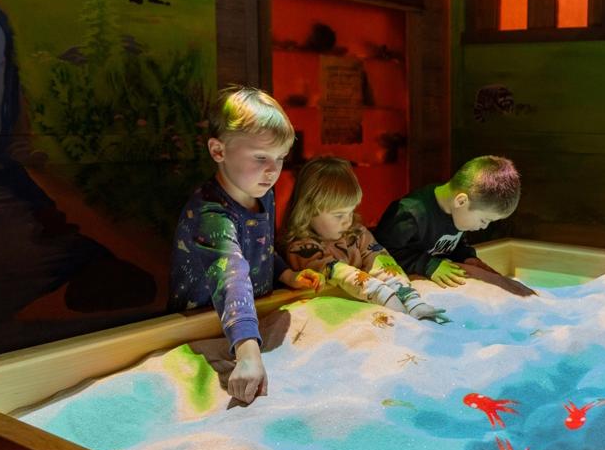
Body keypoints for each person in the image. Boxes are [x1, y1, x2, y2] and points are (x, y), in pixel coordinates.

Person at [169, 86, 318, 405]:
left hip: (252, 320)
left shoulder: (263, 194)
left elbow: (260, 247)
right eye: (261, 157)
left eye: (280, 158)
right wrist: (248, 354)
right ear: (218, 151)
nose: (273, 170)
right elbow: (231, 277)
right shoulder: (209, 214)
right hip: (205, 330)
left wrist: (286, 275)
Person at [280, 156, 449, 324]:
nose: (347, 221)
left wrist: (412, 300)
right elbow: (341, 273)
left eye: (351, 212)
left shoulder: (356, 233)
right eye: (339, 215)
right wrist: (387, 298)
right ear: (308, 212)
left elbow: (382, 264)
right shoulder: (301, 248)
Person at [373, 155, 534, 296]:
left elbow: (453, 243)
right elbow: (380, 254)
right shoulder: (410, 214)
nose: (484, 227)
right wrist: (429, 265)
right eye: (484, 220)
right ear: (461, 201)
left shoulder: (458, 214)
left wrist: (466, 257)